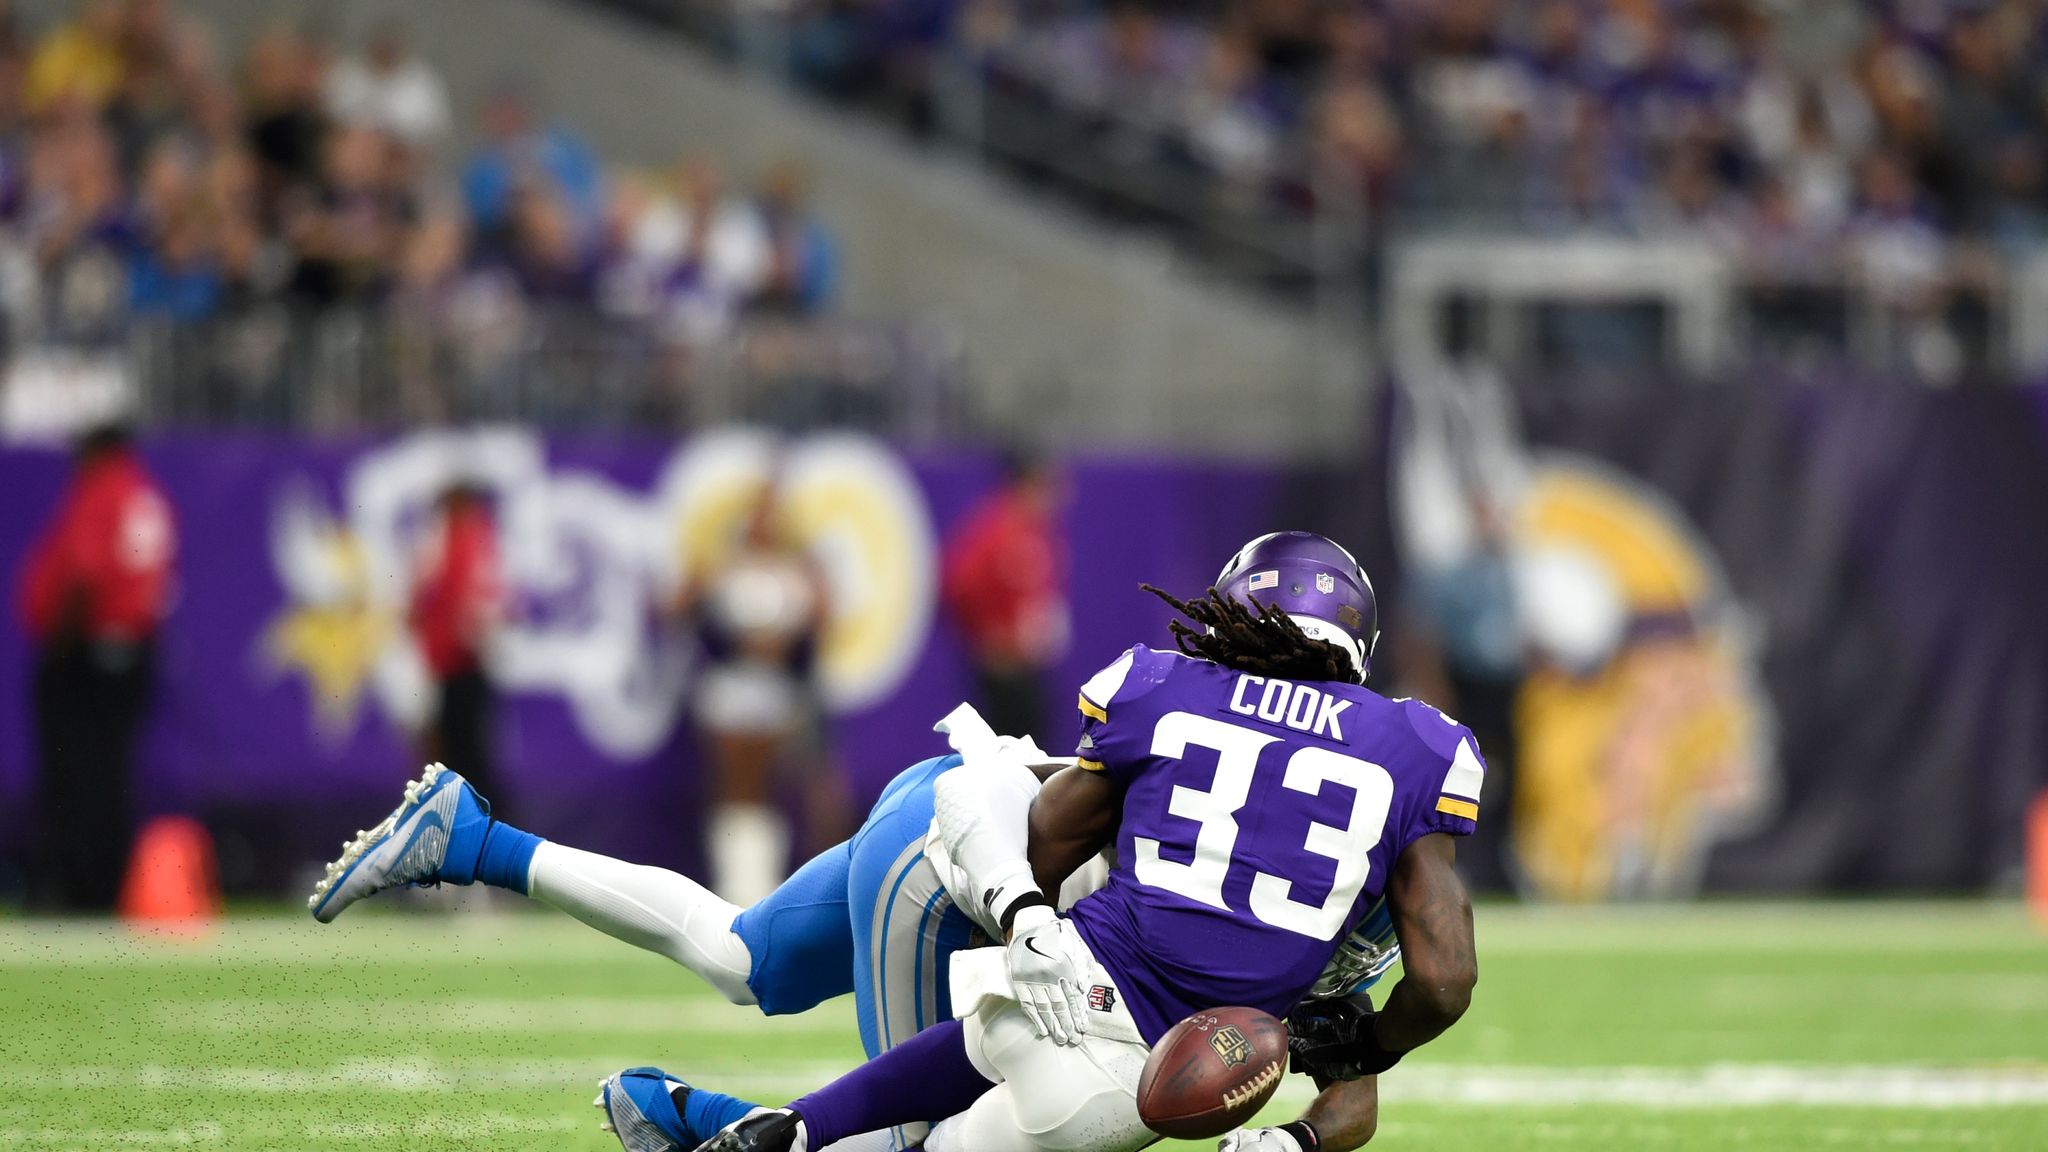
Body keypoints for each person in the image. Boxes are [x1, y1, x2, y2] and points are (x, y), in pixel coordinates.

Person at [703, 530, 1482, 1152]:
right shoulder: (1411, 749)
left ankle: (780, 1125)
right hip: (1118, 1071)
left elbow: (1037, 838)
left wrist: (1031, 917)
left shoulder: (1167, 686)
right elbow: (1445, 982)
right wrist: (1365, 1049)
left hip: (1042, 968)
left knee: (762, 980)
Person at [15, 424, 176, 911]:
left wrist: (60, 637)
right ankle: (107, 883)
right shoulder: (145, 496)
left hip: (87, 649)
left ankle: (81, 886)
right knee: (111, 772)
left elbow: (81, 572)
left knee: (77, 774)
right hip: (135, 648)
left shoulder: (101, 490)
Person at [678, 478, 830, 905]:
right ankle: (735, 879)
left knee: (770, 786)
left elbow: (820, 620)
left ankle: (762, 881)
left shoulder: (798, 568)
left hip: (777, 690)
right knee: (733, 785)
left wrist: (783, 641)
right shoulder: (725, 565)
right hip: (730, 685)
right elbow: (681, 609)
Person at [940, 454, 1069, 742]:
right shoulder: (997, 531)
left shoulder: (1037, 533)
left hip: (1029, 666)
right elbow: (960, 584)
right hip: (1005, 670)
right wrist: (989, 638)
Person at [408, 483, 504, 799]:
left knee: (458, 747)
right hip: (460, 659)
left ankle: (461, 814)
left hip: (454, 660)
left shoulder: (459, 540)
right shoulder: (475, 538)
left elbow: (433, 597)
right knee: (463, 744)